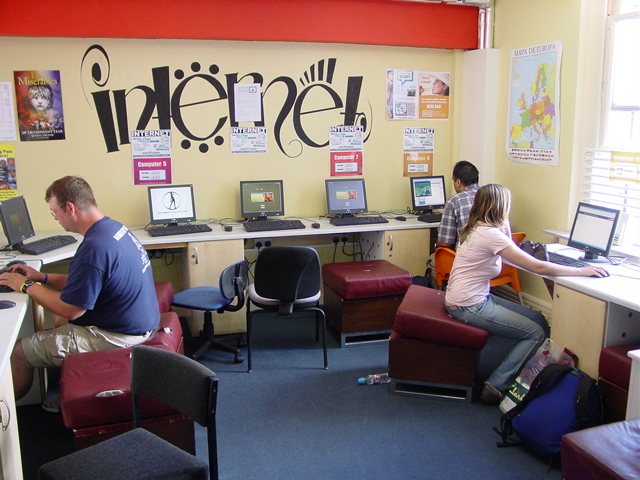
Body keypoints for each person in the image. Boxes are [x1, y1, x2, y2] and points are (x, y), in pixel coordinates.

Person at [0, 176, 160, 407]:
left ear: (70, 208)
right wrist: (41, 277)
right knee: (55, 321)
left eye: (55, 212)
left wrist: (25, 285)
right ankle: (69, 389)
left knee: (17, 353)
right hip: (135, 323)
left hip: (117, 337)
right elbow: (86, 281)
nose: (56, 218)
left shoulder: (94, 247)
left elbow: (71, 310)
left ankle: (8, 419)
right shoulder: (113, 229)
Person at [444, 184, 609, 405]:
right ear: (502, 207)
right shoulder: (491, 235)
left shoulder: (475, 227)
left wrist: (503, 224)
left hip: (468, 297)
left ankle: (528, 372)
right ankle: (495, 386)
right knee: (535, 334)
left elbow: (514, 253)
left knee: (539, 319)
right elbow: (538, 268)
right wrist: (581, 271)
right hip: (468, 304)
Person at [426, 160, 479, 288]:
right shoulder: (492, 197)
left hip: (465, 260)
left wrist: (435, 244)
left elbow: (445, 243)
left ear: (458, 182)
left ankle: (443, 295)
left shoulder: (455, 201)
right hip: (491, 261)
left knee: (433, 260)